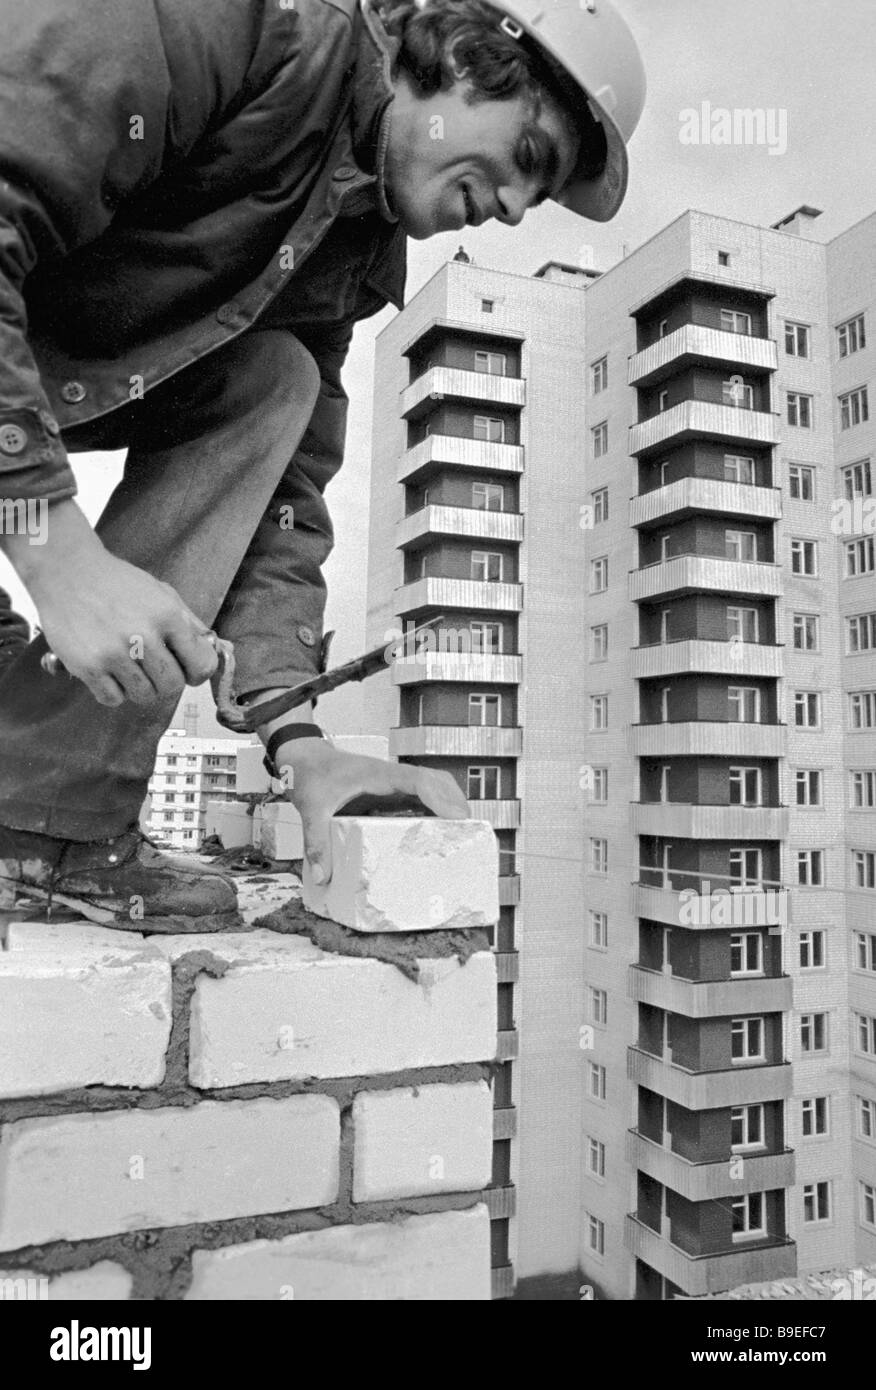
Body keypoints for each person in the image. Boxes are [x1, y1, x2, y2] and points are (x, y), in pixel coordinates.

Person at [0, 0, 645, 929]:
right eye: (530, 160)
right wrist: (58, 556)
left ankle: (39, 820)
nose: (509, 209)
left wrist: (299, 740)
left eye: (531, 202)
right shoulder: (245, 28)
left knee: (275, 382)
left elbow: (283, 501)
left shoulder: (348, 254)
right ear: (468, 57)